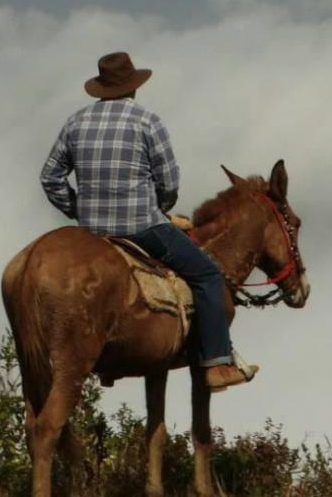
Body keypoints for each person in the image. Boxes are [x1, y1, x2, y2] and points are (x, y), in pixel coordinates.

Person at [39, 51, 257, 391]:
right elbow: (169, 181)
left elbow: (50, 177)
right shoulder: (147, 121)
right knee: (208, 275)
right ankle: (216, 364)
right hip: (143, 226)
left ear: (99, 88)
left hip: (92, 231)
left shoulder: (75, 122)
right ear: (134, 87)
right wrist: (160, 208)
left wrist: (78, 208)